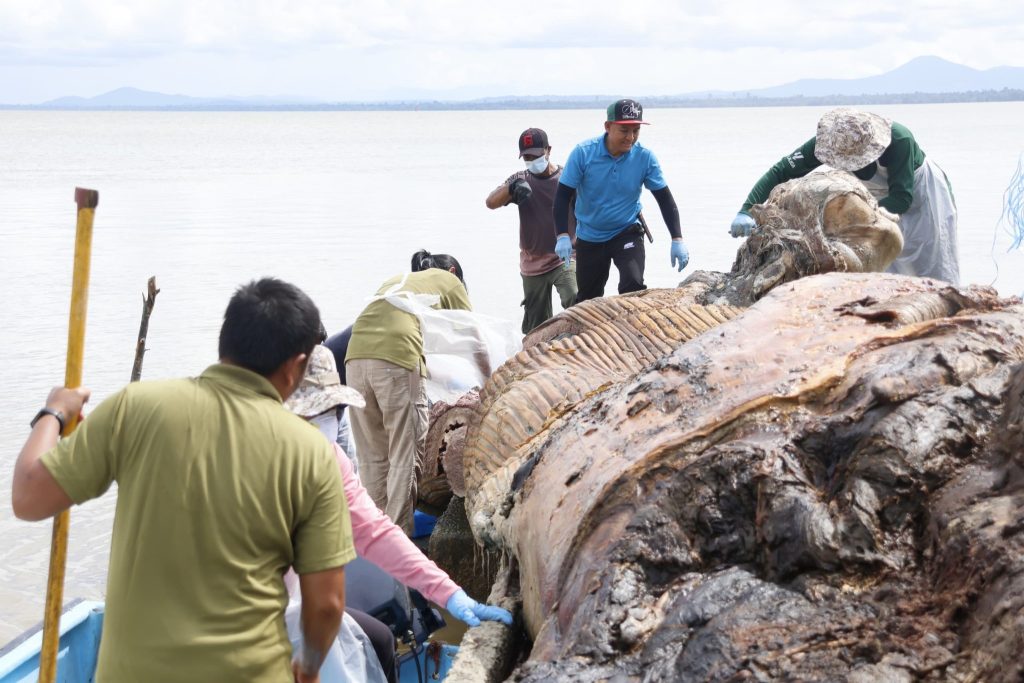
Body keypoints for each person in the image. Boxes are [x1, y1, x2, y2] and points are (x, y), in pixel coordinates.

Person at [11, 278, 356, 683]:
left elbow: (28, 495)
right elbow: (327, 604)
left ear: (225, 343)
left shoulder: (135, 408)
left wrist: (54, 413)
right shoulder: (311, 451)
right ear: (297, 364)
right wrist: (309, 667)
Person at [285, 346, 514, 682]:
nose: (322, 424)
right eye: (309, 414)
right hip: (238, 612)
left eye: (331, 411)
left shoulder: (329, 459)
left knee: (377, 639)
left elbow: (375, 531)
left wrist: (449, 593)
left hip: (298, 601)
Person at [729, 107, 960, 284]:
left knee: (933, 264)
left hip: (923, 195)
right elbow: (781, 171)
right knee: (884, 268)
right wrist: (746, 209)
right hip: (874, 198)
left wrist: (852, 219)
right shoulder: (830, 141)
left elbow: (901, 198)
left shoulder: (899, 140)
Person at [345, 250, 471, 534]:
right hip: (395, 360)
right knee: (405, 454)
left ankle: (372, 543)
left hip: (355, 360)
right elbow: (473, 336)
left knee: (372, 459)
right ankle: (398, 543)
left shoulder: (398, 281)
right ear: (453, 271)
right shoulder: (449, 281)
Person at [553, 98, 689, 303]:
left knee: (632, 287)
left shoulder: (645, 157)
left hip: (626, 231)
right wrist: (562, 235)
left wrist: (677, 238)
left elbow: (664, 199)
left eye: (636, 131)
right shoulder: (583, 153)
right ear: (608, 127)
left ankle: (634, 333)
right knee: (588, 298)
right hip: (590, 235)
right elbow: (562, 197)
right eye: (624, 131)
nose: (631, 137)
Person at [485, 127, 578, 333]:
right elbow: (490, 202)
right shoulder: (521, 178)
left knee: (574, 298)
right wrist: (511, 189)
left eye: (536, 155)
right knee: (536, 326)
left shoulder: (566, 178)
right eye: (526, 157)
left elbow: (587, 211)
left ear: (548, 150)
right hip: (532, 263)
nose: (532, 161)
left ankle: (579, 342)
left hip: (565, 256)